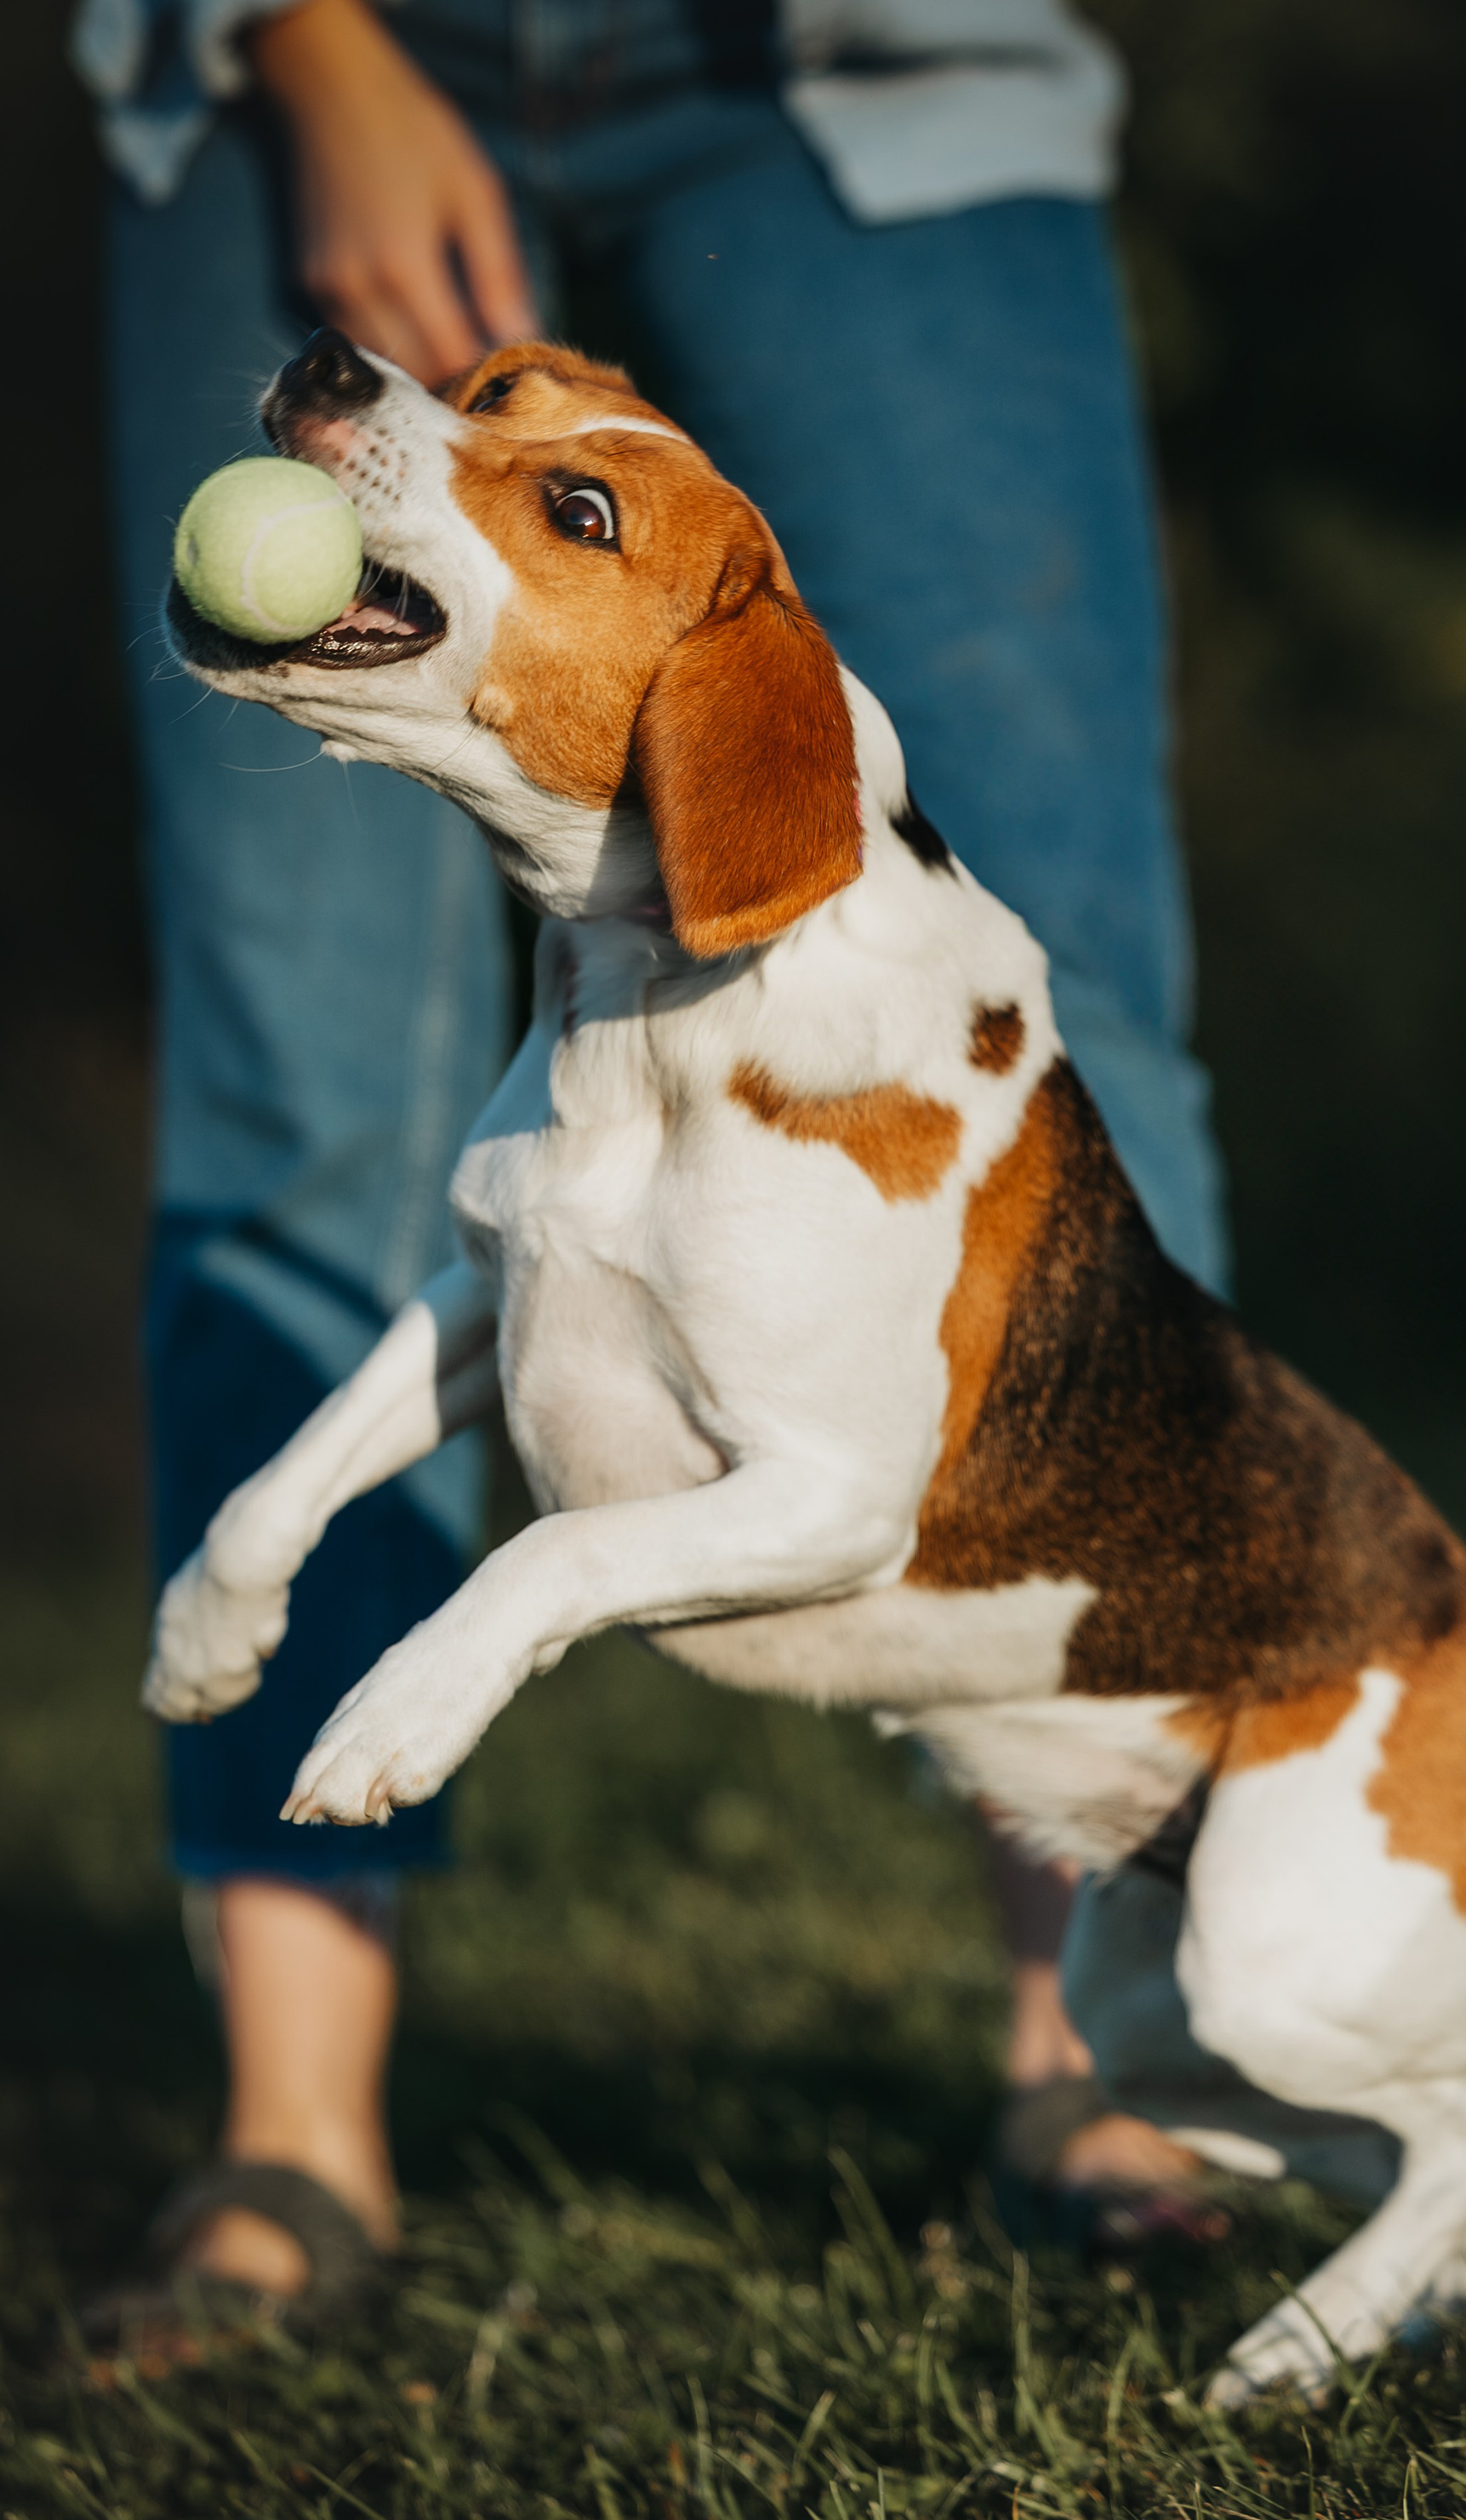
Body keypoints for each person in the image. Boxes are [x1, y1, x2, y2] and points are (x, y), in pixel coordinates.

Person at [77, 0, 1240, 2329]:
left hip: (881, 80)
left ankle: (1100, 2034)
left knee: (1059, 1022)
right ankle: (294, 2140)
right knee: (307, 1092)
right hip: (288, 58)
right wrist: (307, 39)